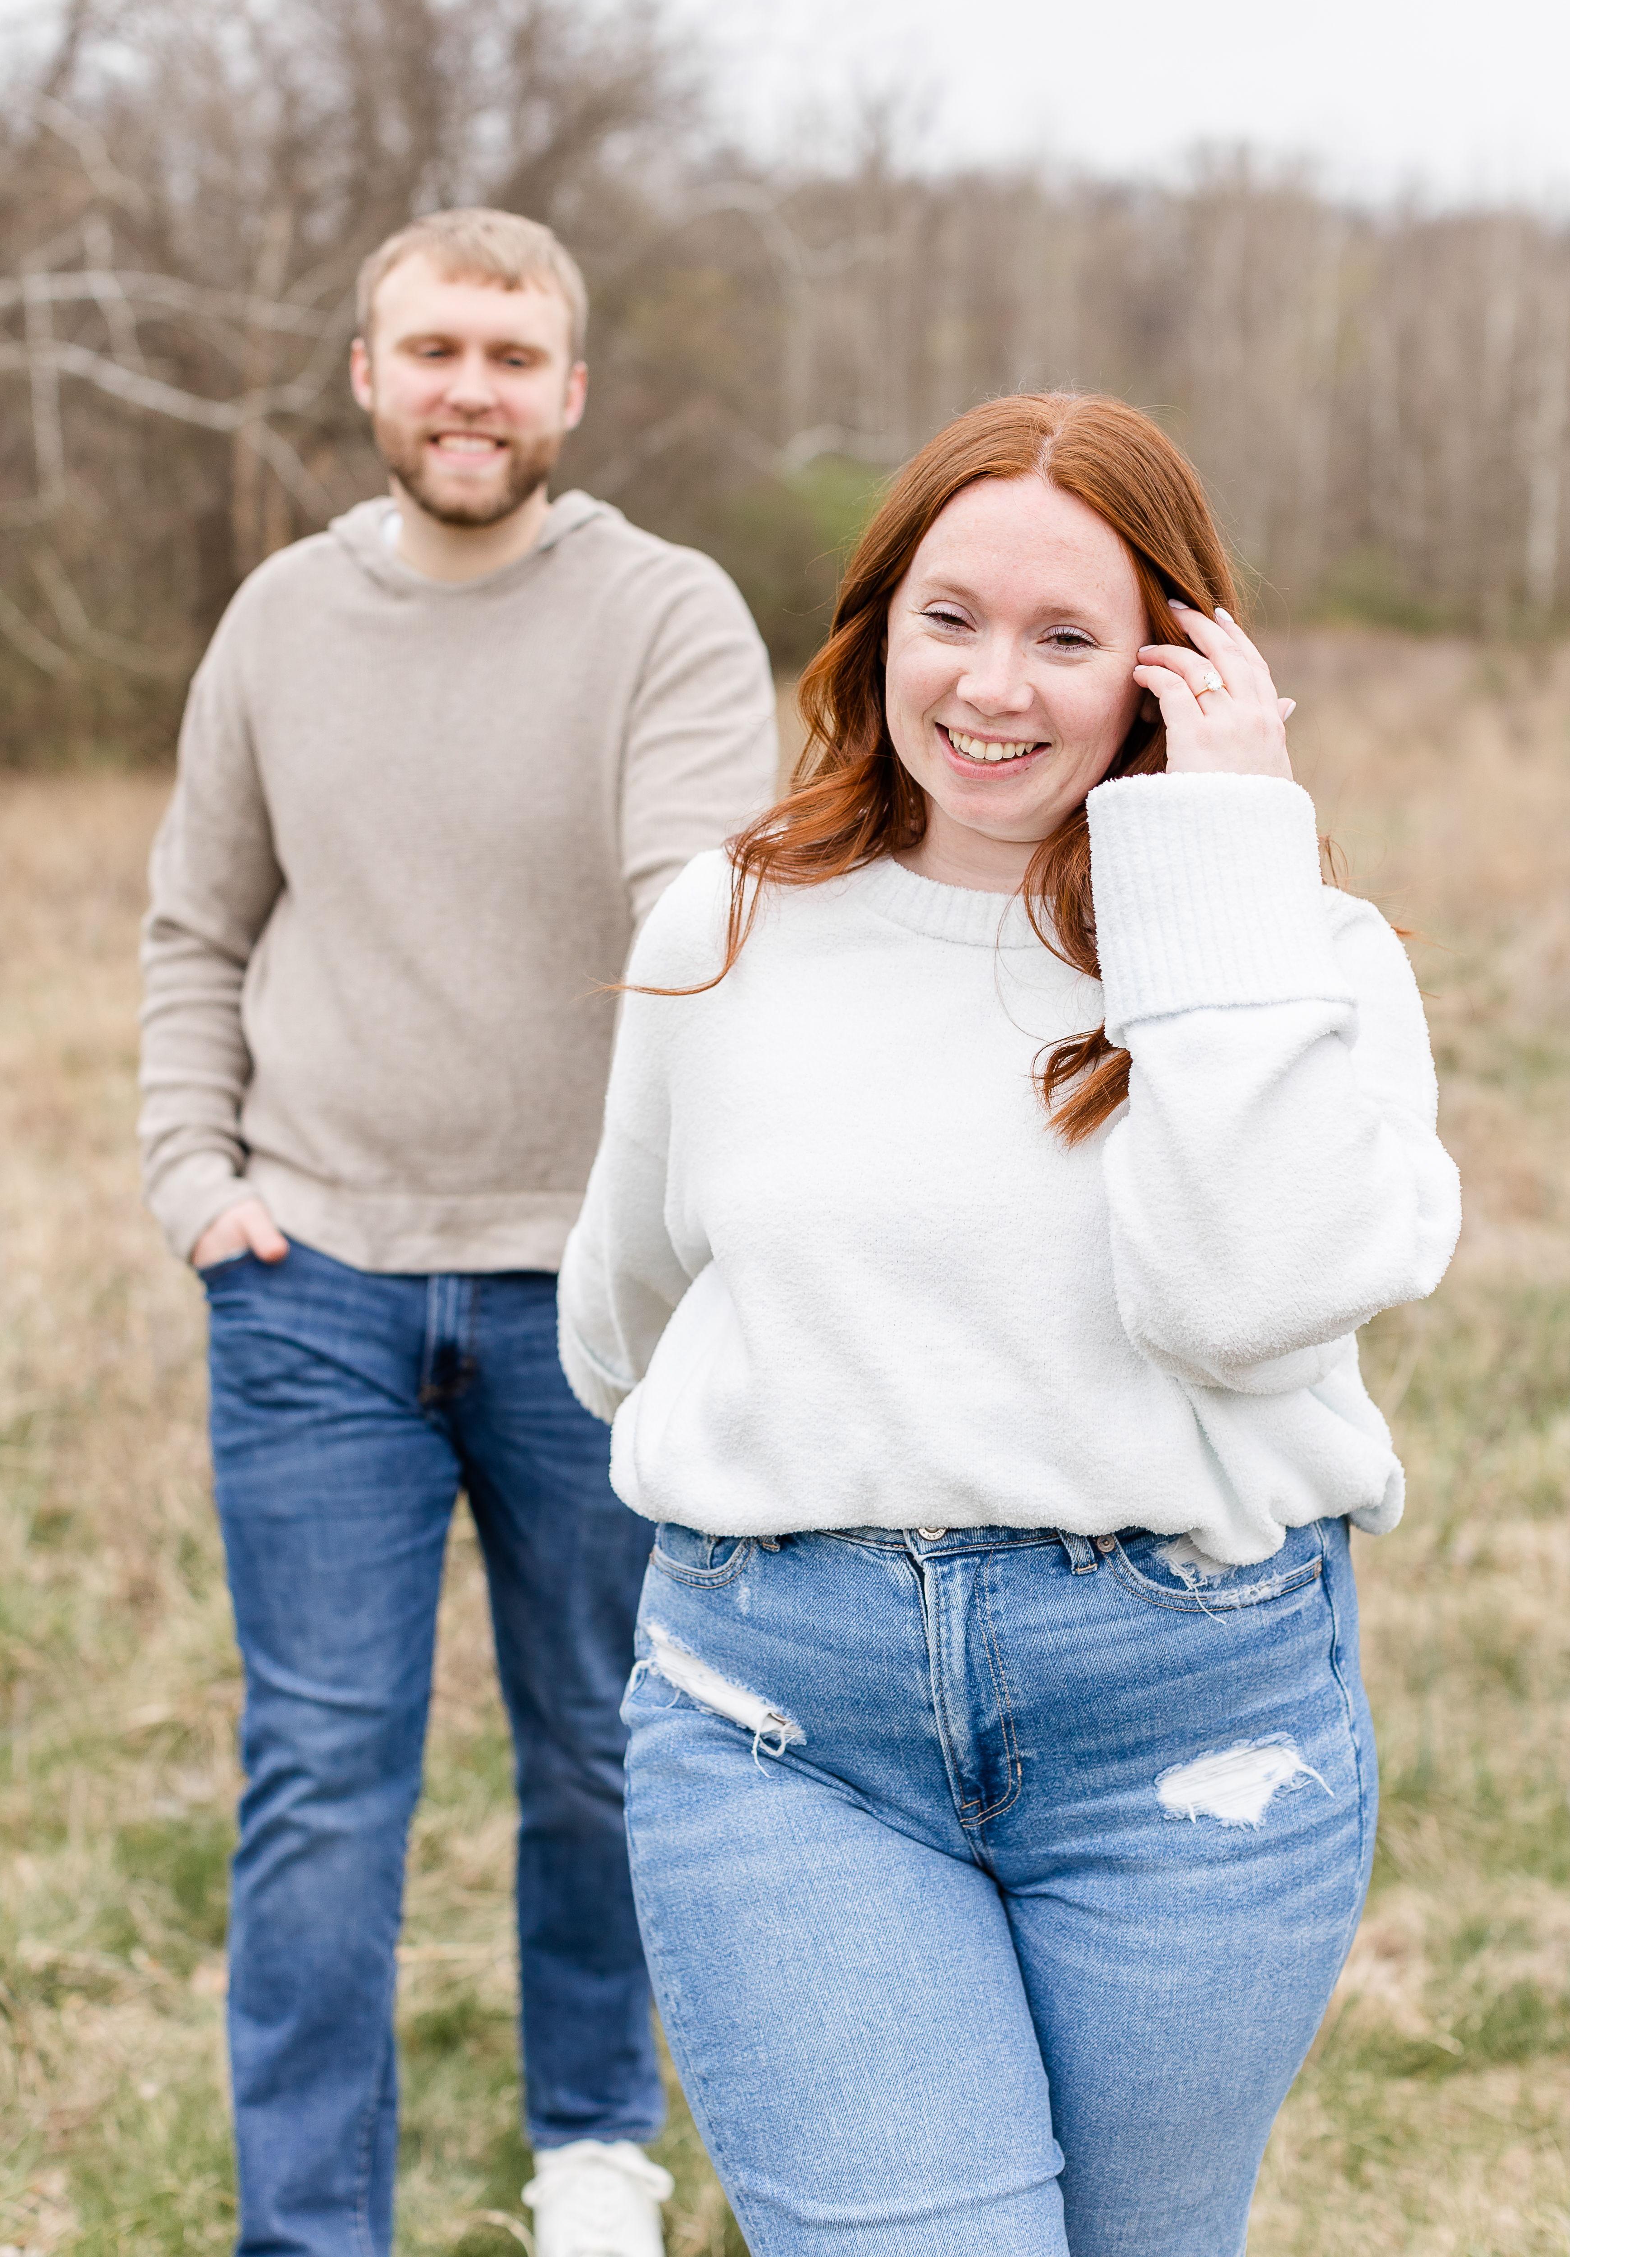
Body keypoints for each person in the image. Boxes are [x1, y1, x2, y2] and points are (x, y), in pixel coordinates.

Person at [557, 391, 1462, 2257]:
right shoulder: (720, 927)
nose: (996, 684)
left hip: (1187, 1734)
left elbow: (1248, 1305)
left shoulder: (1303, 960)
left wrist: (1216, 868)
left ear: (1173, 667)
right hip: (782, 1718)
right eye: (952, 616)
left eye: (1070, 635)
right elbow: (628, 1314)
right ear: (877, 623)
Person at [138, 206, 777, 2257]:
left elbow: (700, 909)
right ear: (368, 374)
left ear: (570, 392)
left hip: (588, 1300)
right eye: (435, 352)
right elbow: (196, 928)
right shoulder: (275, 625)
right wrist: (193, 1180)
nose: (472, 391)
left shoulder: (666, 616)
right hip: (307, 1282)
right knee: (326, 1783)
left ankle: (595, 2141)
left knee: (605, 1750)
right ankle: (306, 2222)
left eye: (513, 358)